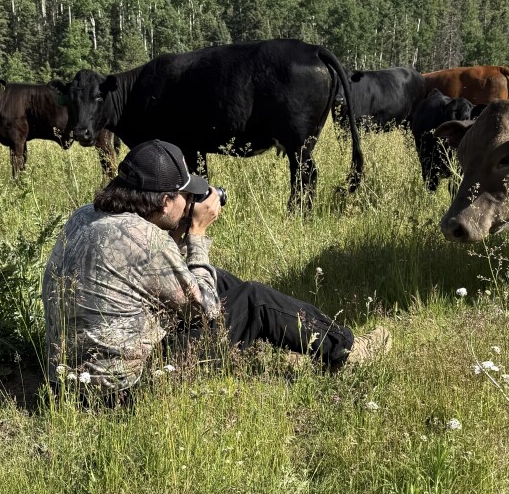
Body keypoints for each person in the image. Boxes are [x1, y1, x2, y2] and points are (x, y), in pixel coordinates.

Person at [43, 139, 391, 398]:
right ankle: (345, 349)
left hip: (65, 382)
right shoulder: (149, 240)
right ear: (165, 202)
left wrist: (178, 238)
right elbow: (207, 308)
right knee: (252, 299)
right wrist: (195, 233)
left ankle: (285, 337)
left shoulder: (85, 216)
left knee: (218, 278)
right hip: (124, 391)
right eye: (184, 195)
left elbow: (144, 274)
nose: (190, 202)